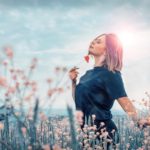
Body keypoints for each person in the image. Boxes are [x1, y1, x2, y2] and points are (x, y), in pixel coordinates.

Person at [68, 33, 149, 149]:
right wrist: (73, 82)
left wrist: (139, 120)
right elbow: (79, 100)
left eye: (98, 42)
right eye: (94, 40)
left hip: (105, 134)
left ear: (107, 51)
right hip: (87, 134)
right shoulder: (87, 75)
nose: (93, 42)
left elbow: (123, 99)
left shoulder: (111, 73)